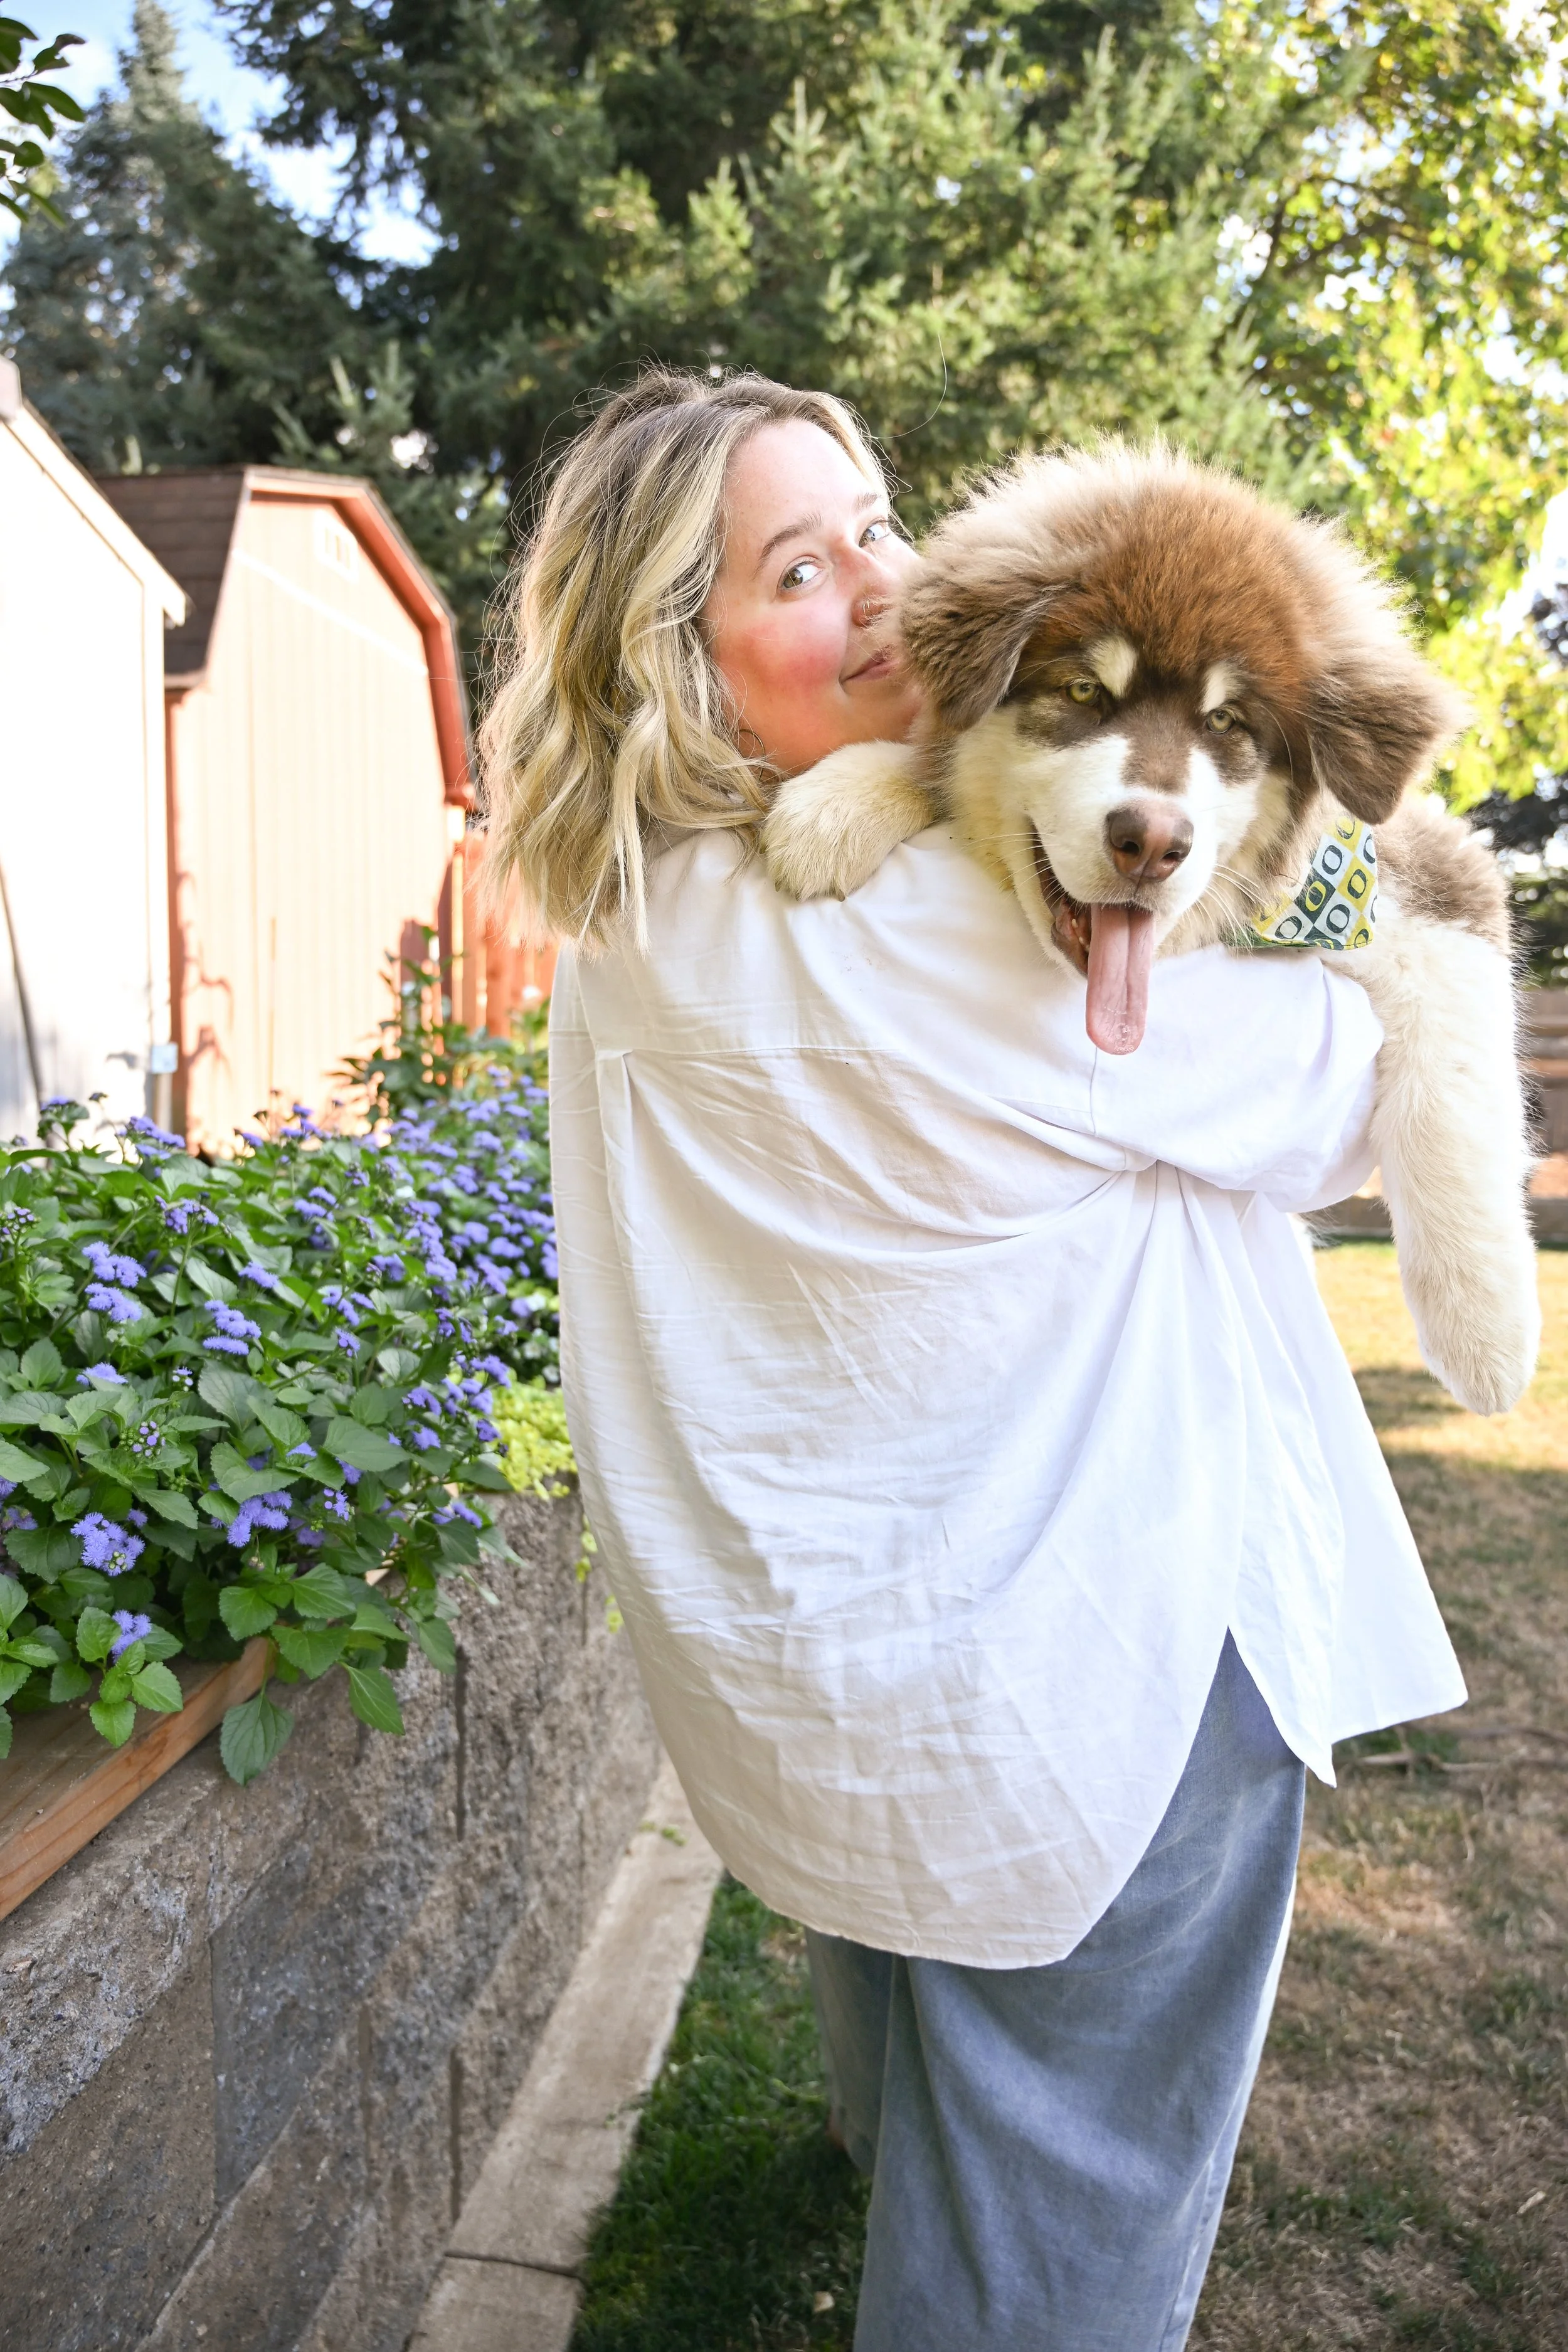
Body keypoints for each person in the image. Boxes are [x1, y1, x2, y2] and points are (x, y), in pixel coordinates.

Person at [479, 368, 1466, 2351]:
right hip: (1102, 1658)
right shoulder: (940, 923)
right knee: (1058, 2217)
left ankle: (887, 2176)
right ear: (674, 664)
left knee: (919, 1988)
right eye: (792, 568)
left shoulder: (632, 912)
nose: (879, 585)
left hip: (847, 1643)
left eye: (873, 523)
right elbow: (1335, 1100)